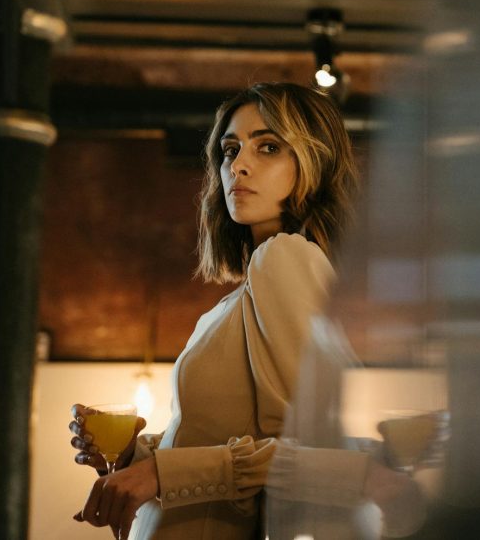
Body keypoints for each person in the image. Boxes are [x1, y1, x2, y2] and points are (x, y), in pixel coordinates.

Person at [68, 82, 422, 540]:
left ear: (312, 163)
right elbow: (232, 440)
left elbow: (303, 448)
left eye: (268, 146)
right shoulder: (251, 284)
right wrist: (137, 453)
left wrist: (160, 473)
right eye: (230, 150)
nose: (238, 165)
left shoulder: (284, 258)